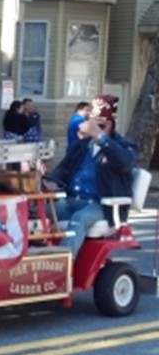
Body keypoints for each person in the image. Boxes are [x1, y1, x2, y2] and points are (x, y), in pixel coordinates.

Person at [43, 94, 137, 259]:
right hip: (71, 199)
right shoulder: (82, 145)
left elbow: (124, 163)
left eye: (100, 125)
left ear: (110, 124)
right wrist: (48, 180)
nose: (94, 128)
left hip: (100, 204)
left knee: (79, 219)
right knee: (36, 212)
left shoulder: (123, 146)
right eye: (93, 124)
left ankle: (62, 265)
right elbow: (64, 168)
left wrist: (101, 138)